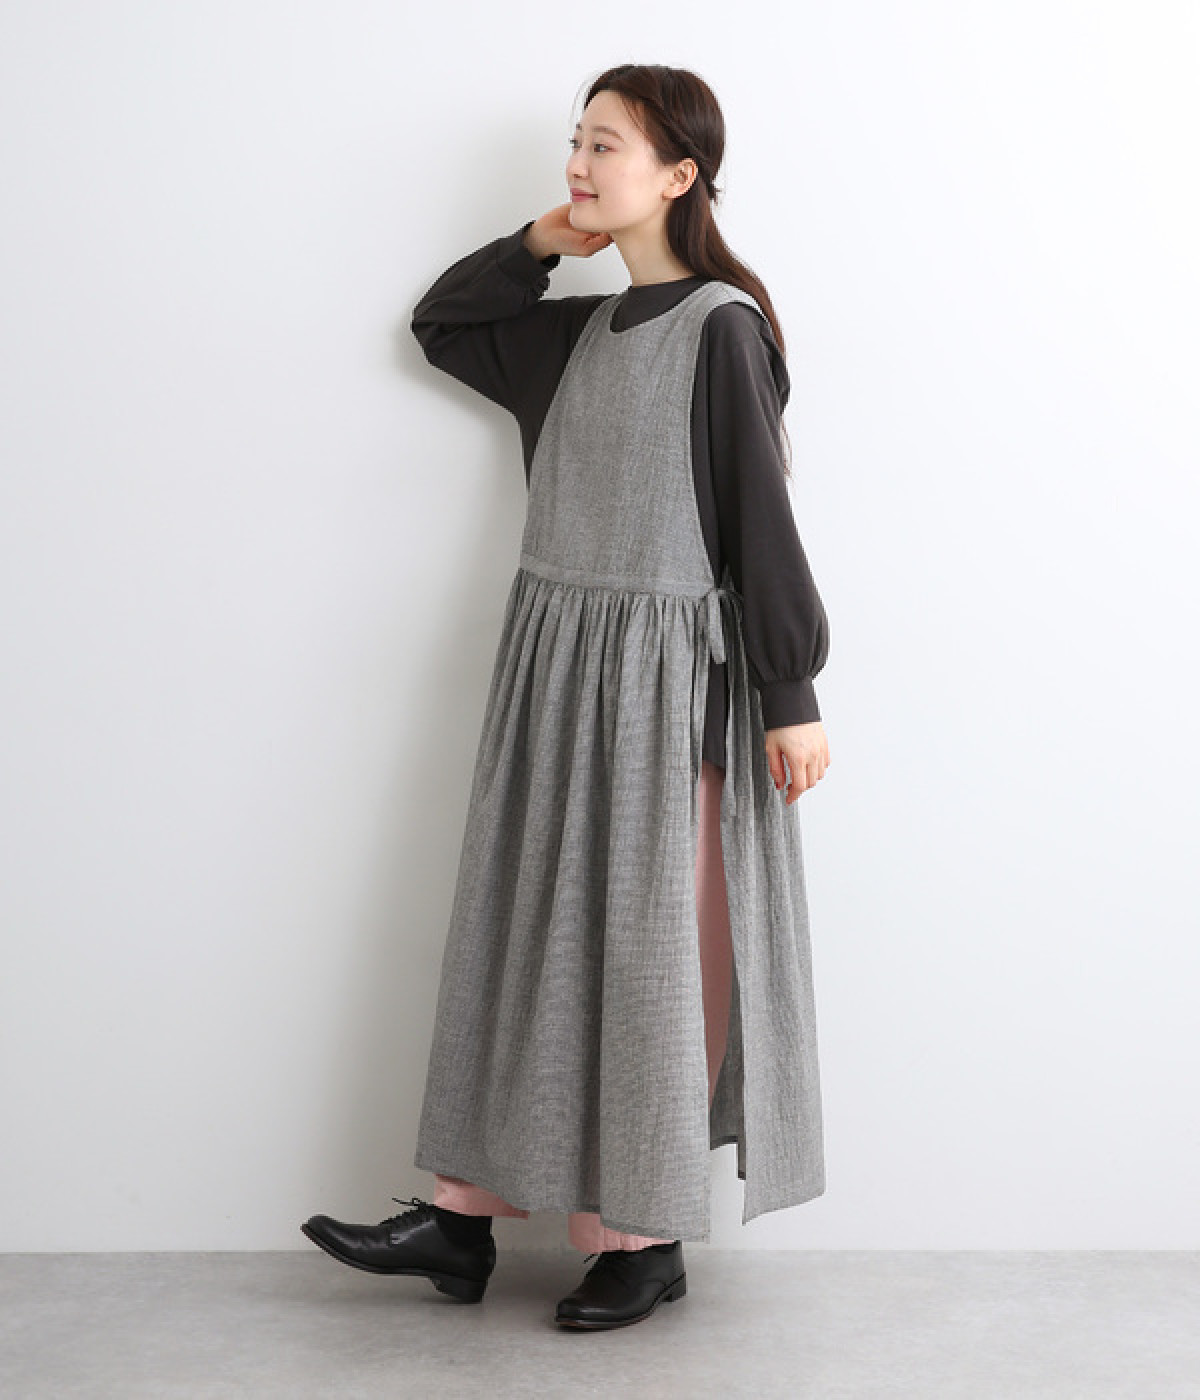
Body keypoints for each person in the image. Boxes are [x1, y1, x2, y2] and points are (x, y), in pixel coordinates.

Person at [303, 62, 831, 1332]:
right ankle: (460, 1218)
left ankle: (642, 1240)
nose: (580, 166)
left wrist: (791, 689)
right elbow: (444, 322)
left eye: (606, 146)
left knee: (649, 962)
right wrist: (544, 244)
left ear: (681, 173)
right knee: (518, 937)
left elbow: (760, 518)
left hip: (664, 691)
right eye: (575, 143)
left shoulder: (722, 328)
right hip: (553, 677)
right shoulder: (573, 332)